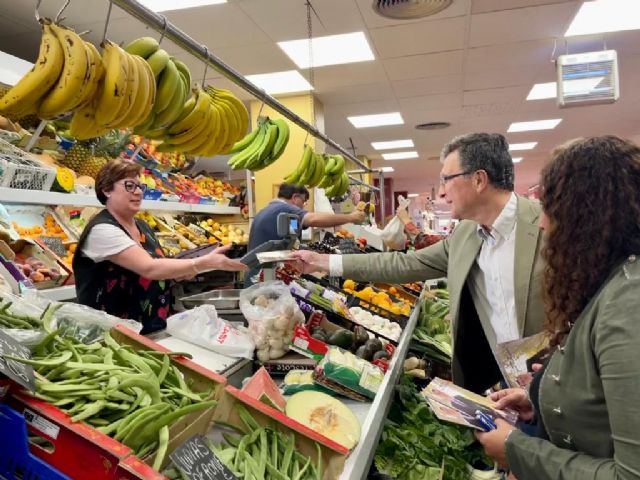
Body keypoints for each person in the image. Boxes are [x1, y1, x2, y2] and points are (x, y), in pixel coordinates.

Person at [289, 133, 545, 393]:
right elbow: (404, 264)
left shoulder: (550, 225)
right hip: (505, 383)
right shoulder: (466, 235)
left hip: (560, 387)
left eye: (446, 179)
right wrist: (323, 261)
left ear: (479, 180)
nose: (442, 192)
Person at [475, 135, 640, 480]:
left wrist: (516, 450)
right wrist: (542, 401)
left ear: (586, 217)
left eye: (549, 207)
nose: (543, 223)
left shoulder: (629, 304)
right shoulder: (615, 280)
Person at [73, 159, 247, 334]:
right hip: (111, 337)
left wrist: (184, 272)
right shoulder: (102, 230)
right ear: (106, 190)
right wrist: (202, 263)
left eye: (141, 187)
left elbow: (158, 271)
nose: (138, 192)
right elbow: (150, 268)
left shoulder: (143, 226)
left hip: (151, 328)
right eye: (129, 186)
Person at [244, 183, 365, 286]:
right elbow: (312, 219)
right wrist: (352, 217)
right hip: (263, 279)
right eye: (303, 201)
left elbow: (293, 240)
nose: (303, 206)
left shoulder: (269, 211)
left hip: (260, 276)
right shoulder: (283, 208)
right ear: (295, 198)